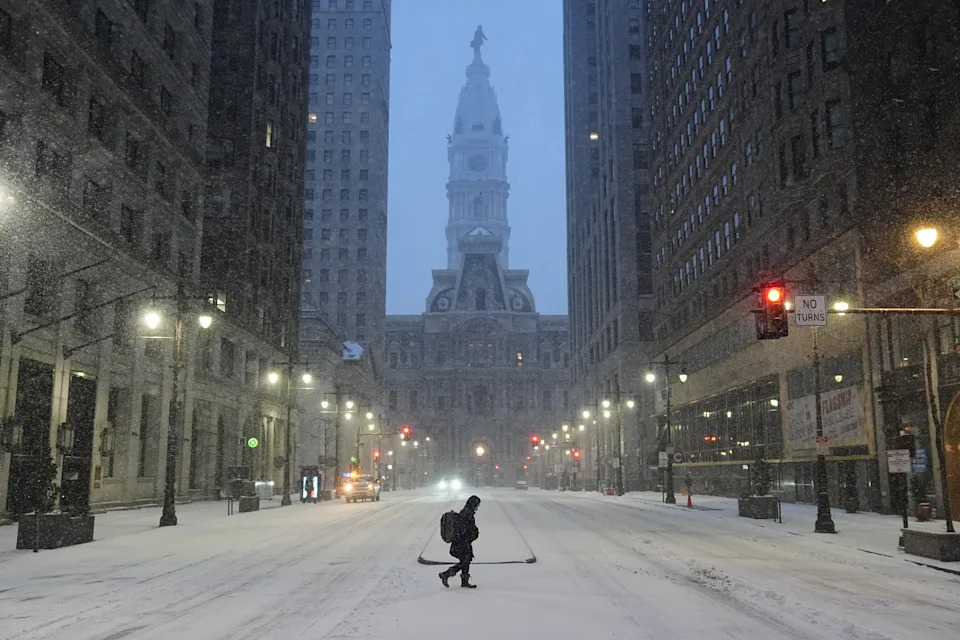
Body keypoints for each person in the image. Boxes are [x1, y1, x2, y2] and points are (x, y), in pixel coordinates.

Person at [439, 495, 480, 589]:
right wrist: (473, 533)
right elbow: (465, 530)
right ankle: (447, 575)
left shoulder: (466, 512)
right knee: (465, 561)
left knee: (465, 561)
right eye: (477, 505)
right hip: (462, 544)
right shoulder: (467, 514)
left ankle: (460, 580)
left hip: (461, 543)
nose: (478, 507)